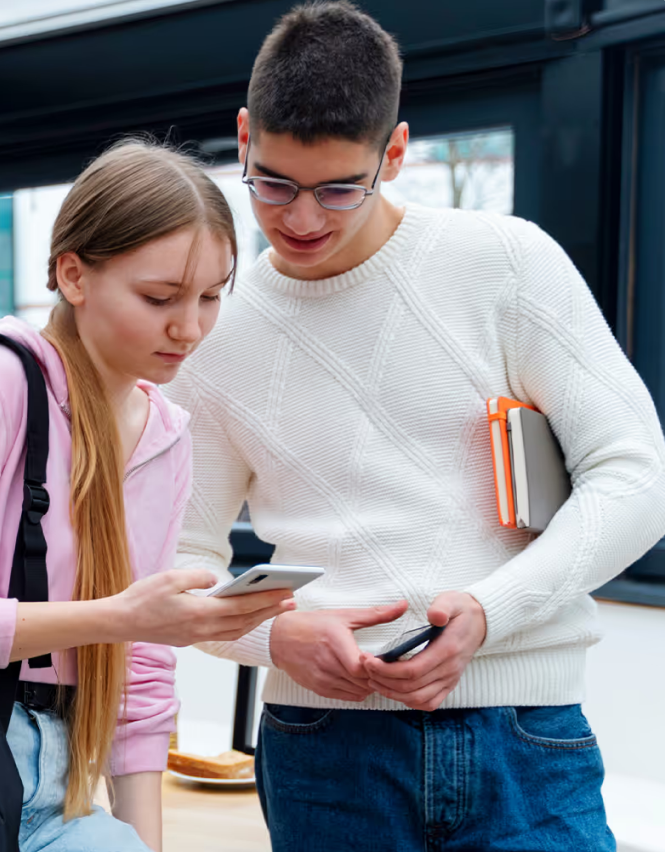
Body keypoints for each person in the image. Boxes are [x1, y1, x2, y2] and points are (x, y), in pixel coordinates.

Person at [164, 3, 665, 850]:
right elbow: (176, 559)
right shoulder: (212, 329)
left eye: (338, 188)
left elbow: (636, 477)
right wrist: (272, 635)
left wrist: (489, 609)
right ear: (244, 138)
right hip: (322, 752)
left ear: (394, 152)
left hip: (525, 733)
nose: (301, 219)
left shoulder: (506, 263)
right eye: (273, 182)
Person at [0, 140, 295, 852]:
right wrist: (114, 616)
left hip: (61, 787)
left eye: (211, 297)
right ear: (72, 275)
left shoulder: (166, 433)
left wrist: (143, 842)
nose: (189, 327)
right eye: (159, 298)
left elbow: (140, 671)